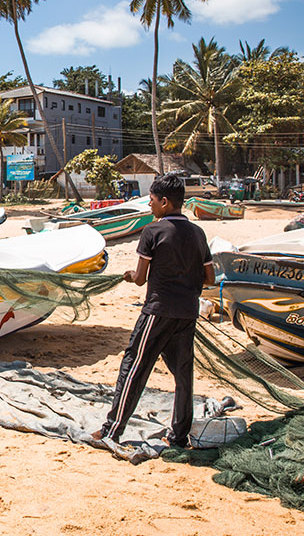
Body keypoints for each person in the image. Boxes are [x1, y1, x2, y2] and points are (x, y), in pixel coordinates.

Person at [93, 174, 216, 448]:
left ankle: (112, 430)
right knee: (183, 374)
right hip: (188, 312)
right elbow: (210, 278)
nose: (149, 205)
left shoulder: (153, 231)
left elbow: (140, 278)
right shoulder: (198, 233)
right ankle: (179, 436)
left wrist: (129, 275)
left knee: (134, 366)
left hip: (158, 311)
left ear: (164, 202)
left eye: (151, 200)